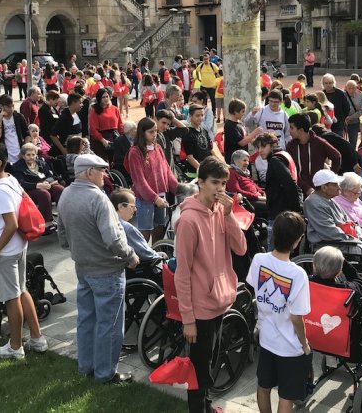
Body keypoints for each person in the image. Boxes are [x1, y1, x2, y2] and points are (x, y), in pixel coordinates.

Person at [58, 154, 138, 384]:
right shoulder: (98, 198)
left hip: (83, 267)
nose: (104, 174)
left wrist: (78, 248)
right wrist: (130, 255)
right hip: (107, 271)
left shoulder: (65, 194)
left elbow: (62, 235)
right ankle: (105, 374)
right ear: (89, 172)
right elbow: (113, 238)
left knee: (86, 320)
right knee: (109, 325)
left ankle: (86, 367)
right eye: (101, 170)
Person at [175, 156, 246, 412]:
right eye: (215, 182)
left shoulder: (220, 210)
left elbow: (241, 248)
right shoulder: (188, 220)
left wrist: (229, 215)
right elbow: (182, 273)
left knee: (210, 363)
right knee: (199, 371)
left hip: (220, 300)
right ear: (200, 182)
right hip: (201, 308)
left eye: (224, 183)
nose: (220, 188)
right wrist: (188, 319)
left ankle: (207, 406)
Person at [0, 143, 49, 359]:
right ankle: (37, 339)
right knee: (21, 291)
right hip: (19, 246)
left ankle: (15, 347)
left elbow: (11, 224)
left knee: (11, 297)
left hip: (6, 251)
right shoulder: (11, 180)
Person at [246, 212, 311, 413]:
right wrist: (305, 344)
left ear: (273, 234)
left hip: (266, 339)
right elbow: (296, 317)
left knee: (263, 386)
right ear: (297, 241)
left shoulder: (259, 259)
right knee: (286, 396)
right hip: (290, 346)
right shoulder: (298, 274)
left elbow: (253, 286)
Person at [304, 169, 362, 265]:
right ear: (324, 187)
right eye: (335, 185)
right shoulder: (314, 203)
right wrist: (355, 239)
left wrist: (360, 236)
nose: (339, 187)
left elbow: (350, 222)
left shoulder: (330, 200)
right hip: (337, 247)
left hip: (350, 241)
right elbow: (329, 232)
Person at [125, 117, 178, 244]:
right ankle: (141, 256)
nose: (154, 134)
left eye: (155, 131)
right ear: (142, 132)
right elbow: (139, 181)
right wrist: (155, 198)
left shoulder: (157, 148)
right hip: (145, 199)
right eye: (151, 132)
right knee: (145, 233)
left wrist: (180, 190)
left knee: (159, 230)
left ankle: (156, 252)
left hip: (161, 195)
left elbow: (167, 172)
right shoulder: (135, 152)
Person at [257, 132, 302, 248]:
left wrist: (297, 208)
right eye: (258, 147)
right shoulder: (281, 157)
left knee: (274, 249)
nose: (260, 150)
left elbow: (290, 183)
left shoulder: (275, 161)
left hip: (279, 211)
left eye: (263, 146)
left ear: (272, 145)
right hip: (282, 209)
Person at [286, 113, 341, 196]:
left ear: (301, 130)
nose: (289, 131)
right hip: (298, 190)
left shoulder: (319, 143)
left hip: (319, 191)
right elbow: (289, 169)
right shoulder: (290, 146)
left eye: (291, 128)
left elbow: (337, 156)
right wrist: (306, 188)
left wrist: (329, 178)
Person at [11, 143, 63, 229]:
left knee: (59, 189)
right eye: (28, 155)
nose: (31, 157)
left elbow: (51, 175)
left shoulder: (41, 163)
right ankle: (47, 223)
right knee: (44, 194)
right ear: (23, 156)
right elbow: (20, 183)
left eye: (33, 154)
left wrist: (47, 182)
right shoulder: (18, 166)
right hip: (29, 191)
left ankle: (64, 217)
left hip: (46, 185)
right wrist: (37, 185)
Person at [111, 188, 164, 263]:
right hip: (134, 264)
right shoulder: (127, 228)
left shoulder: (107, 223)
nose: (135, 209)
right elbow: (146, 253)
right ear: (121, 207)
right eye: (132, 206)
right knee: (163, 255)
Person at [0, 95, 30, 164]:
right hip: (5, 156)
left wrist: (24, 149)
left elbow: (27, 134)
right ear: (1, 106)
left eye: (13, 106)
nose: (11, 109)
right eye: (8, 107)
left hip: (19, 154)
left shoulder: (19, 117)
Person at [182, 104, 221, 172]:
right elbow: (189, 157)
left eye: (202, 115)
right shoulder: (187, 133)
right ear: (190, 116)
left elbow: (211, 151)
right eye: (197, 116)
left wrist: (221, 163)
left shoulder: (204, 130)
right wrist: (202, 171)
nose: (200, 118)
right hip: (195, 173)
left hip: (208, 169)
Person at [88, 88, 124, 162]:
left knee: (115, 161)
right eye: (103, 97)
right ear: (99, 98)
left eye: (107, 96)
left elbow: (120, 125)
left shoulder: (115, 109)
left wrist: (122, 137)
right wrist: (102, 140)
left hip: (114, 137)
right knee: (104, 163)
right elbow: (93, 129)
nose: (106, 99)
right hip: (99, 141)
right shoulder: (94, 110)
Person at [343, 80, 362, 149]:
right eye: (349, 88)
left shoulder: (360, 95)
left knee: (353, 142)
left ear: (356, 87)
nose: (351, 90)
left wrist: (351, 117)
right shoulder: (342, 95)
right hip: (343, 123)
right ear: (346, 88)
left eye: (353, 88)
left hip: (354, 122)